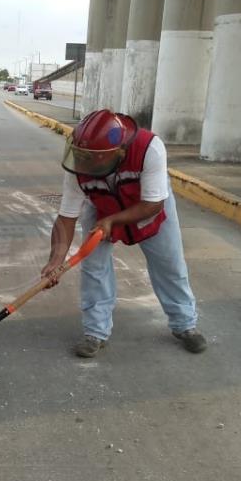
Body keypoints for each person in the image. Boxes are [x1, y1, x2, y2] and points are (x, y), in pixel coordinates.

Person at [41, 109, 206, 358]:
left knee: (169, 264)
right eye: (83, 156)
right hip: (100, 205)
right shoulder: (79, 162)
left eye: (94, 158)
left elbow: (153, 204)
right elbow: (66, 217)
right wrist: (55, 260)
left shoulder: (150, 148)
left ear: (118, 153)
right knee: (94, 267)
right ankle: (95, 332)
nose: (86, 164)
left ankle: (185, 325)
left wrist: (113, 221)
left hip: (148, 205)